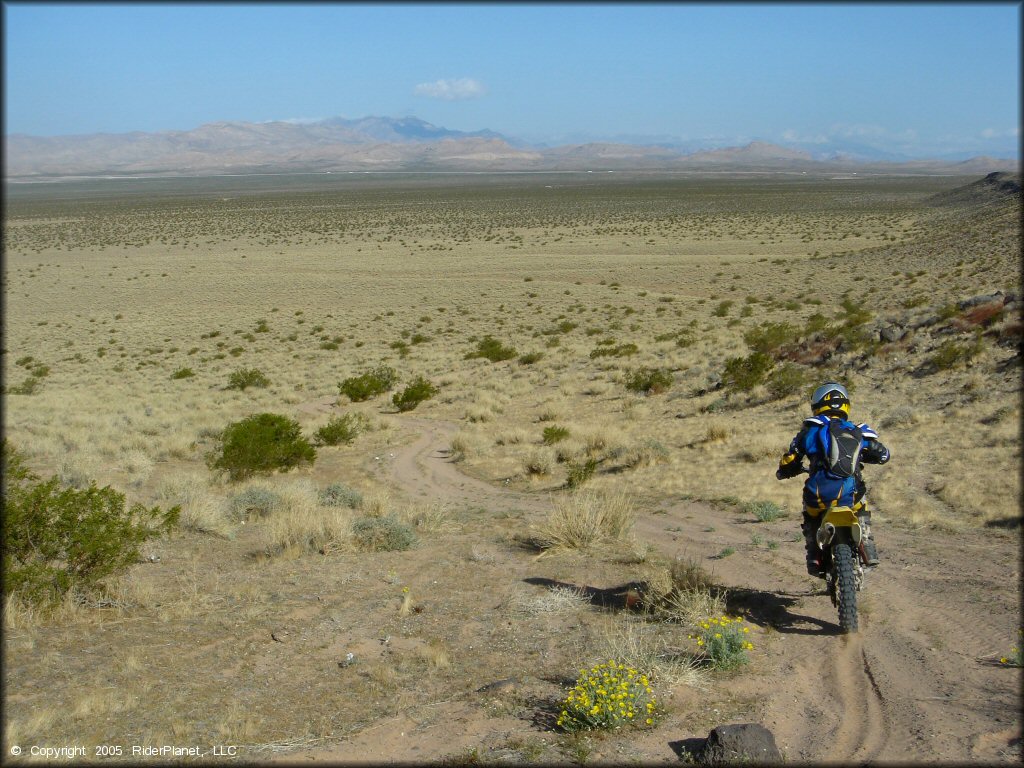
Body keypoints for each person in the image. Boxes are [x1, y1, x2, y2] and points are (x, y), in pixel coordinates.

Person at [776, 382, 890, 576]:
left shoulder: (810, 430)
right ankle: (866, 541)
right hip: (850, 494)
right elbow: (883, 455)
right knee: (862, 503)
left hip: (818, 495)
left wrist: (785, 471)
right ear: (845, 404)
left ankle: (813, 553)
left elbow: (790, 460)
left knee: (809, 514)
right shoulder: (858, 430)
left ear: (818, 404)